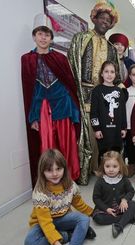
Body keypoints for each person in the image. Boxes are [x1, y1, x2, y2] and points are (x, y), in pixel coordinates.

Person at [21, 14, 81, 183]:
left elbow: (70, 85)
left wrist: (74, 111)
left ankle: (68, 180)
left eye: (47, 34)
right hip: (43, 109)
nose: (43, 38)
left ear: (51, 38)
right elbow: (29, 91)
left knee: (66, 145)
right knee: (47, 146)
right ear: (34, 36)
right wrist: (33, 116)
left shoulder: (60, 58)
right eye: (40, 34)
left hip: (63, 106)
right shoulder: (27, 60)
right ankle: (49, 182)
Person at [68, 1, 121, 184]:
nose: (105, 22)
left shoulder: (112, 48)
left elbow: (118, 78)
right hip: (83, 95)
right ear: (95, 18)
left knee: (104, 135)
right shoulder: (80, 38)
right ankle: (85, 171)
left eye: (108, 20)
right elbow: (72, 67)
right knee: (88, 135)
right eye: (102, 18)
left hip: (105, 99)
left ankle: (103, 169)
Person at [24, 149, 93, 245]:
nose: (55, 174)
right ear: (42, 172)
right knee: (30, 243)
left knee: (84, 219)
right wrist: (56, 242)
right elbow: (45, 222)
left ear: (64, 169)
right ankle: (70, 235)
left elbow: (79, 203)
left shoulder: (71, 185)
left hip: (62, 219)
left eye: (58, 169)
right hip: (41, 223)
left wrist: (93, 212)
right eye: (49, 170)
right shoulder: (40, 192)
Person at [92, 151, 135, 238]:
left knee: (133, 205)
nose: (111, 169)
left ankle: (119, 225)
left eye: (115, 166)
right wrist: (106, 209)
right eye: (107, 166)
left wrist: (124, 200)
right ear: (103, 167)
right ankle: (128, 218)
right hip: (106, 209)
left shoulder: (123, 178)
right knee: (98, 218)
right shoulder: (100, 181)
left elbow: (131, 191)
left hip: (121, 207)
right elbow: (96, 198)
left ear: (120, 167)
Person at [90, 61, 127, 163]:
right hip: (103, 130)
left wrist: (124, 128)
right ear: (102, 73)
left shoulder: (119, 91)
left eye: (112, 72)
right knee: (104, 153)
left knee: (116, 152)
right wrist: (96, 129)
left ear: (116, 74)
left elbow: (123, 111)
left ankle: (116, 172)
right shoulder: (97, 91)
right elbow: (94, 112)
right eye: (106, 71)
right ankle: (103, 175)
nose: (109, 74)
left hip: (116, 130)